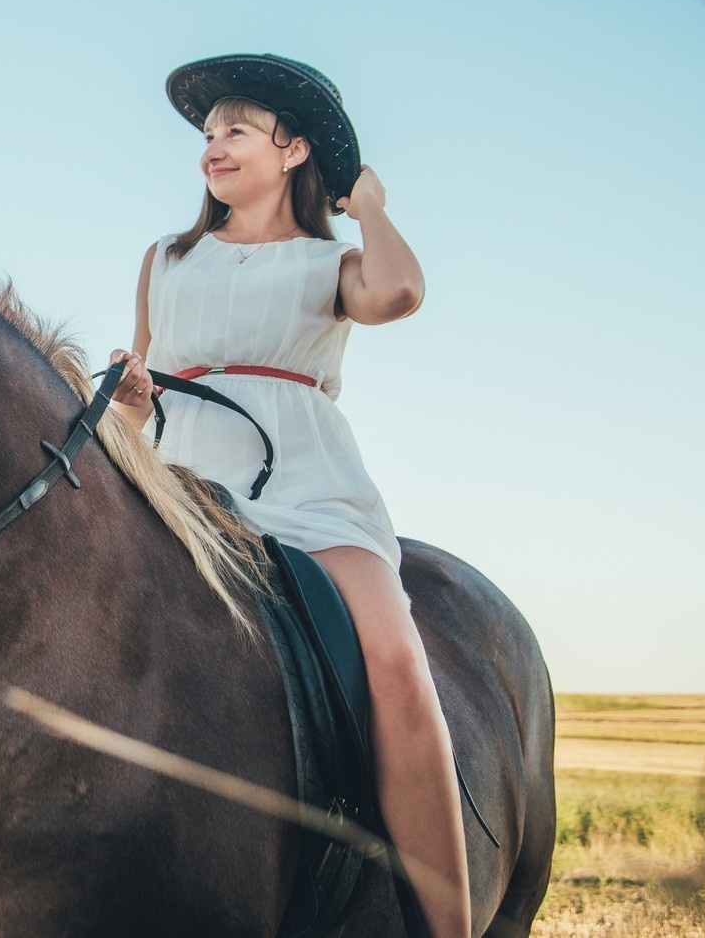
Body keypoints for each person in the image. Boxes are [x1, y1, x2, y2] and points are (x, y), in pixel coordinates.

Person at [107, 53, 469, 938]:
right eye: (206, 133)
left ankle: (446, 921)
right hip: (182, 479)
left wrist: (369, 205)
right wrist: (133, 391)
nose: (212, 147)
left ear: (294, 148)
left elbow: (400, 291)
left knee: (394, 658)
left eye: (234, 129)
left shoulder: (331, 261)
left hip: (308, 487)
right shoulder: (166, 256)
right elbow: (144, 369)